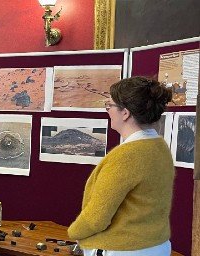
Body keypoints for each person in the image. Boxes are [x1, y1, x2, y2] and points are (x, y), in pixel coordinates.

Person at [68, 77, 175, 256]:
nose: (107, 110)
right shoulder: (159, 147)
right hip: (156, 245)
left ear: (125, 113)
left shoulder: (126, 156)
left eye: (109, 105)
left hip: (123, 249)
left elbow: (97, 217)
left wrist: (75, 233)